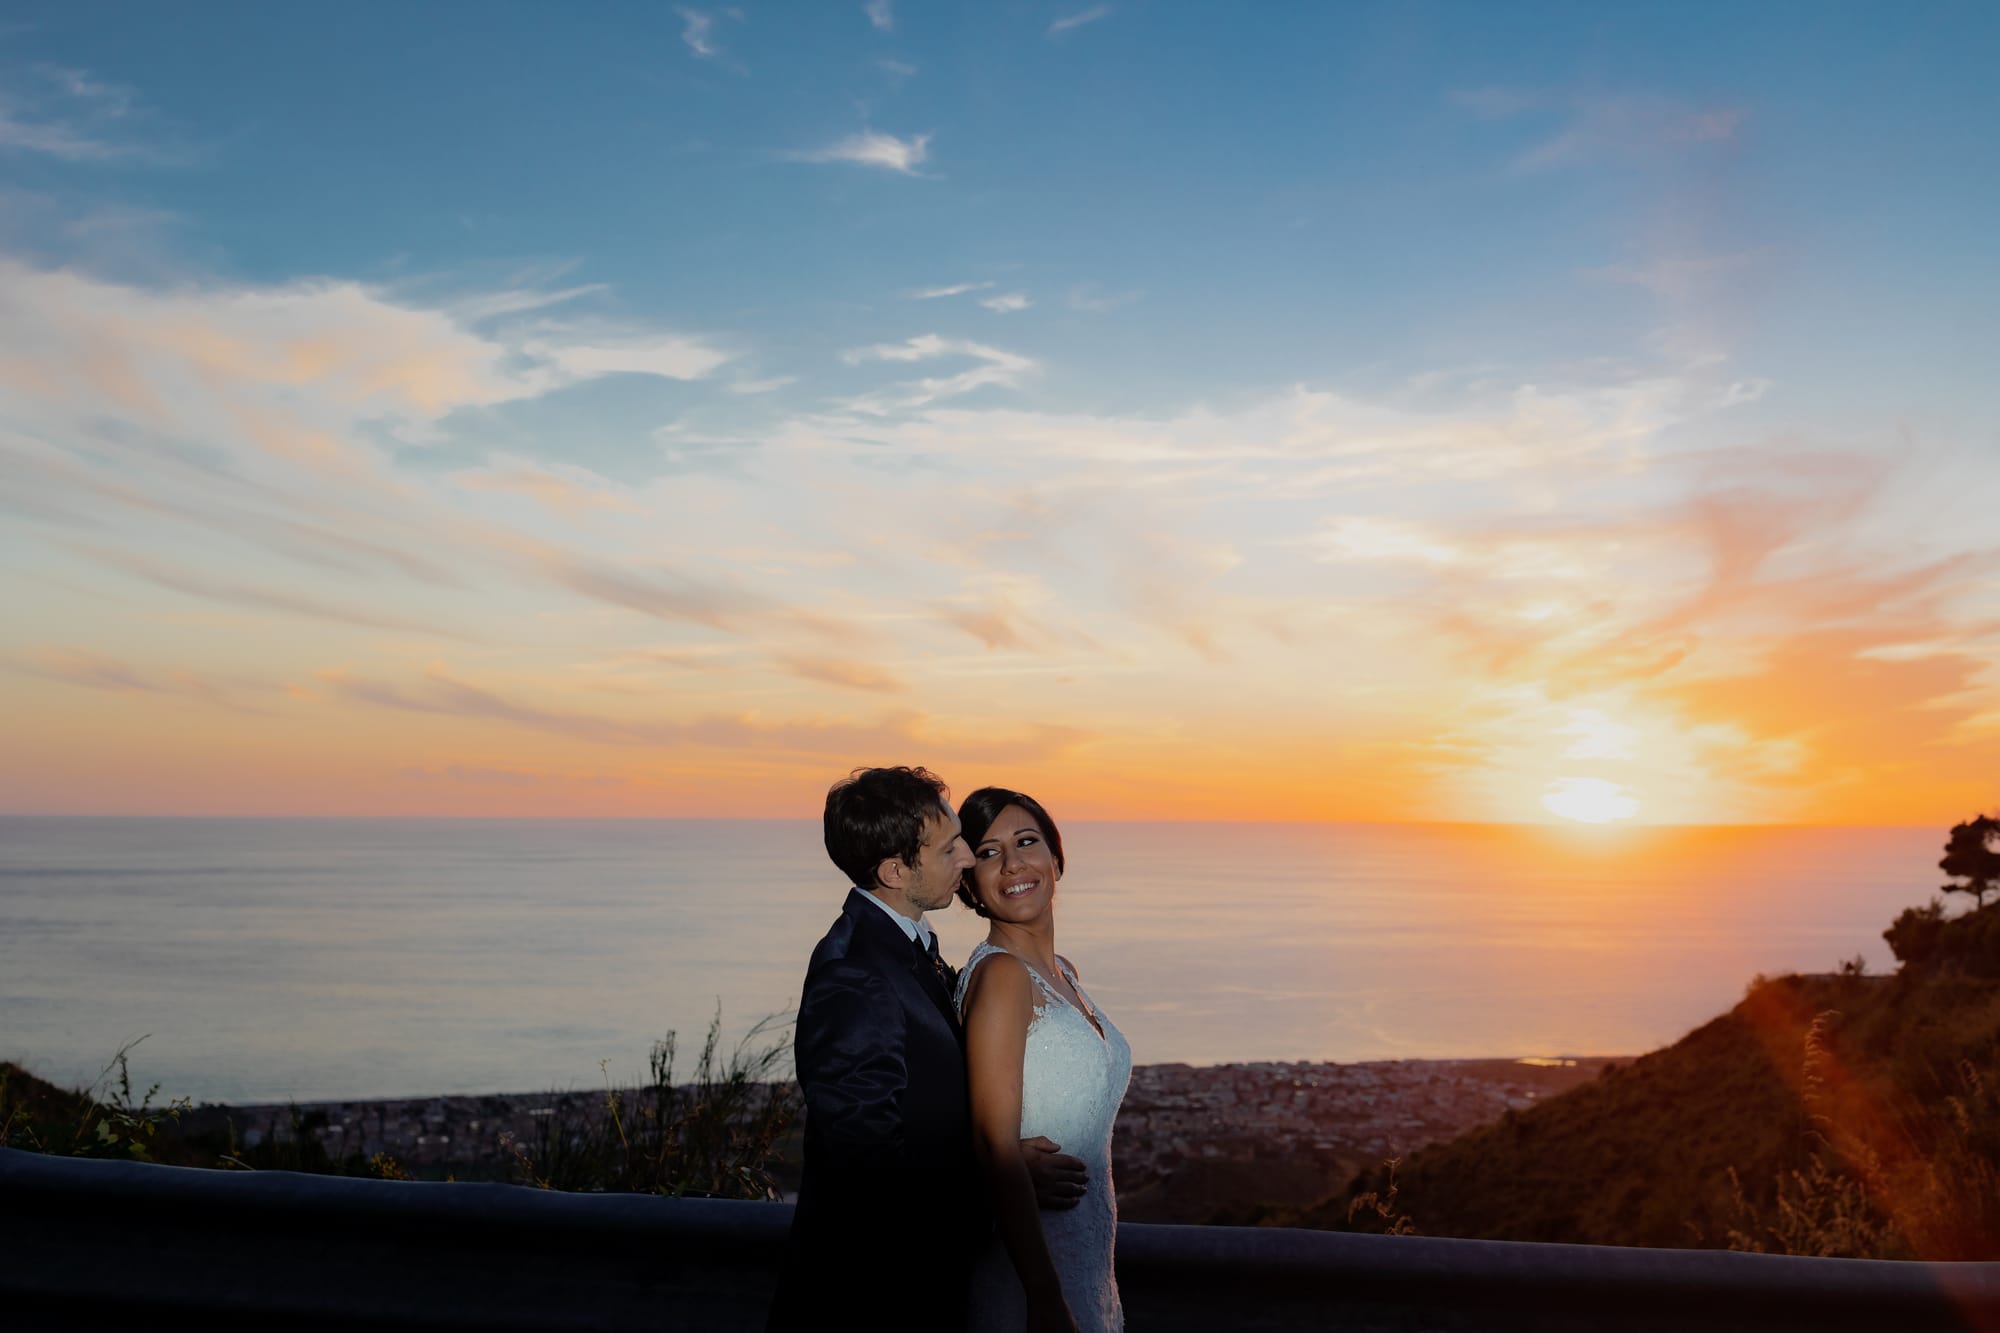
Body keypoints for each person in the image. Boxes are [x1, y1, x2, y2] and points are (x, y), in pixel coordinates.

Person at [767, 767, 1090, 1333]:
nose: (968, 860)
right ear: (895, 871)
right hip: (874, 1301)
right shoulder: (855, 973)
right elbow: (863, 1165)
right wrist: (999, 1170)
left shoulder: (909, 948)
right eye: (950, 850)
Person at [954, 787, 1132, 1333]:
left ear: (1056, 859)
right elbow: (991, 1141)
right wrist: (1044, 1297)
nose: (1012, 864)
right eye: (987, 852)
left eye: (1027, 842)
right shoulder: (1003, 977)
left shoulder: (1065, 975)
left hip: (1087, 1265)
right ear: (970, 885)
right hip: (1032, 1279)